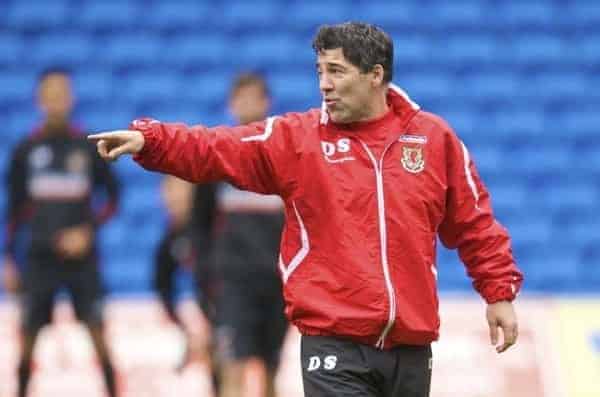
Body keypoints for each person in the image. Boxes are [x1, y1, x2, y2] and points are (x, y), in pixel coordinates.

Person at [89, 22, 524, 397]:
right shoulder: (298, 140)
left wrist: (498, 292)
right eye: (319, 71)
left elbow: (473, 222)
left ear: (376, 75)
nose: (324, 84)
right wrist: (152, 140)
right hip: (333, 342)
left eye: (336, 71)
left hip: (411, 345)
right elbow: (218, 147)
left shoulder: (433, 139)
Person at [2, 68, 120, 397]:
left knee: (99, 337)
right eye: (50, 94)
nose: (57, 101)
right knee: (27, 341)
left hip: (82, 261)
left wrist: (87, 232)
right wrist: (10, 258)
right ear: (40, 100)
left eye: (62, 93)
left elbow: (112, 200)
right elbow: (13, 212)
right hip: (40, 259)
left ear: (71, 98)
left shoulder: (87, 148)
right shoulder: (26, 150)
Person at [210, 73, 287, 397]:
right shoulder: (216, 157)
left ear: (266, 103)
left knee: (270, 373)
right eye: (240, 98)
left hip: (276, 281)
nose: (247, 105)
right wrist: (207, 272)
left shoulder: (285, 156)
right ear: (231, 105)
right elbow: (199, 223)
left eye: (254, 97)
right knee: (233, 367)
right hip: (233, 283)